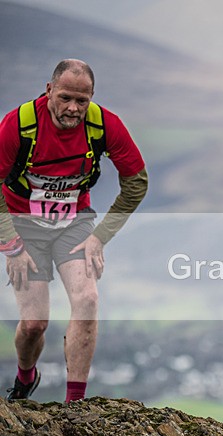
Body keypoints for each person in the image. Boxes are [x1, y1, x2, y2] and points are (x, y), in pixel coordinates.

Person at [1, 59, 148, 403]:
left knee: (87, 299)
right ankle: (26, 376)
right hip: (23, 224)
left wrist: (100, 236)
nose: (73, 108)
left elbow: (137, 183)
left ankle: (75, 404)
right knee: (34, 324)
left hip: (74, 222)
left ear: (91, 97)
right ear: (49, 90)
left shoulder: (105, 125)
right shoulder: (19, 125)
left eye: (82, 101)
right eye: (65, 98)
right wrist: (11, 245)